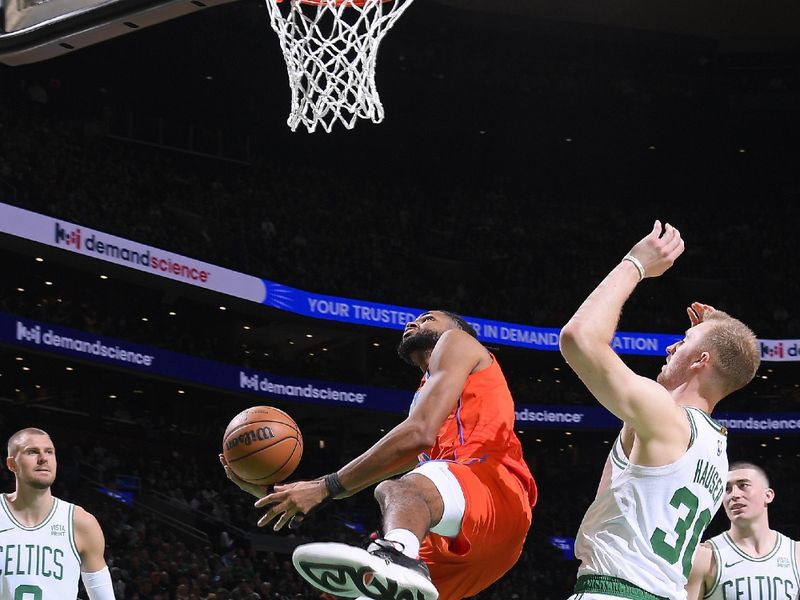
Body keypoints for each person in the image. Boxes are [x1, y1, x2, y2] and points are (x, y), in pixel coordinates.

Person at [221, 310, 537, 600]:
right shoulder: (430, 393)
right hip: (468, 545)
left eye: (428, 319)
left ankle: (397, 554)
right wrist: (276, 494)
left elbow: (418, 434)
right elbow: (403, 455)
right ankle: (399, 555)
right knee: (356, 593)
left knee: (395, 489)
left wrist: (325, 486)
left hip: (495, 487)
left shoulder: (458, 342)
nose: (412, 323)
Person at [559, 221, 760, 600]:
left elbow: (578, 338)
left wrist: (635, 263)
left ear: (702, 360)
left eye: (682, 342)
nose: (669, 348)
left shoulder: (665, 418)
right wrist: (718, 329)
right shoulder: (715, 453)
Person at [1, 427, 115, 600]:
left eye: (49, 452)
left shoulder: (81, 523)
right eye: (32, 452)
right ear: (11, 464)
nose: (43, 458)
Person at [687, 462, 800, 600]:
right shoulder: (705, 556)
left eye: (743, 485)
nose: (734, 495)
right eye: (727, 489)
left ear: (768, 495)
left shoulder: (796, 553)